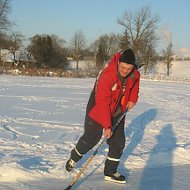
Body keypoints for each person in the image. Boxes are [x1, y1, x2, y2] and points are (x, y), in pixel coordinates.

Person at [65, 48, 140, 184]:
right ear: (118, 63)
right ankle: (74, 157)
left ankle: (110, 172)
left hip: (118, 110)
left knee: (118, 142)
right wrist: (107, 126)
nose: (125, 71)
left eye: (128, 69)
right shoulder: (107, 75)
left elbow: (135, 83)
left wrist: (132, 99)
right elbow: (102, 103)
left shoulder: (134, 74)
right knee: (91, 138)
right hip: (98, 109)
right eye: (123, 67)